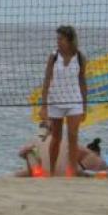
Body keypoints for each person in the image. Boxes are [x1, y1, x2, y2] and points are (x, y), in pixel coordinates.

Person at [38, 25, 88, 178]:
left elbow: (82, 82)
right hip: (56, 101)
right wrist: (44, 106)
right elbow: (46, 80)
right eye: (57, 39)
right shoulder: (53, 57)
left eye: (61, 39)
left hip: (74, 101)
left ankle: (72, 171)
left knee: (73, 136)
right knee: (56, 138)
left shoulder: (79, 56)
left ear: (69, 40)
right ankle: (51, 171)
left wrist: (85, 106)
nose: (58, 42)